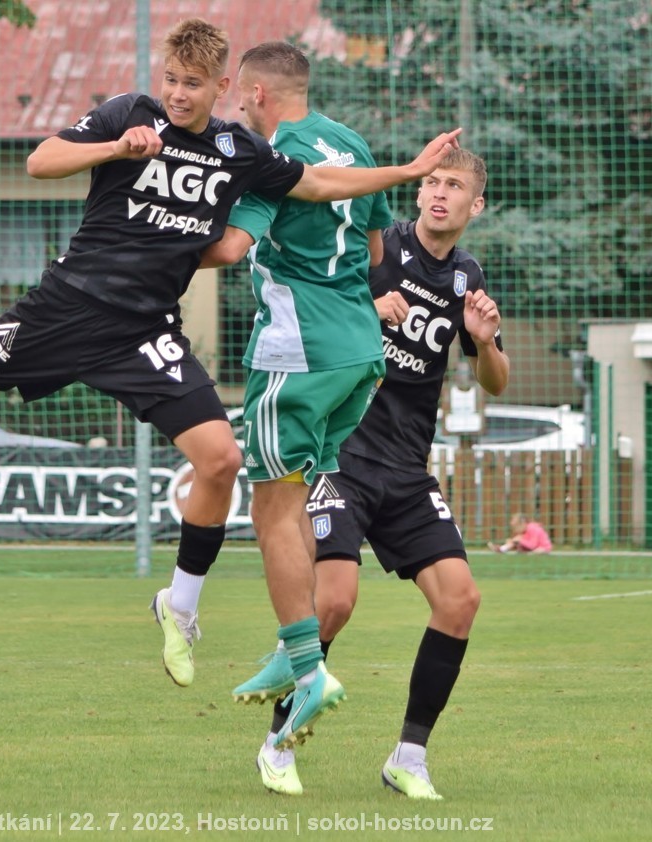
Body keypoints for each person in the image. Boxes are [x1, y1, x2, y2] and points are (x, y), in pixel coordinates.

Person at [0, 18, 461, 688]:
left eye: (193, 84)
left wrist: (410, 170)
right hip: (66, 308)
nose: (178, 94)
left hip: (144, 332)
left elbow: (315, 184)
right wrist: (113, 147)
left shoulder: (237, 148)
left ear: (224, 86)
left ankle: (180, 606)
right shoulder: (129, 114)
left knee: (221, 459)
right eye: (171, 79)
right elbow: (39, 160)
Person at [234, 147, 507, 799]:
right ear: (418, 192)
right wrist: (365, 308)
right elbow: (318, 293)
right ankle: (276, 746)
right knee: (334, 602)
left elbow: (494, 382)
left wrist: (486, 339)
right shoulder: (379, 250)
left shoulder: (467, 276)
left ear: (477, 205)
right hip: (342, 457)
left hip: (407, 471)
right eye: (433, 182)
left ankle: (408, 758)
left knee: (460, 600)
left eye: (455, 186)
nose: (439, 193)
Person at [196, 41, 393, 787]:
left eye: (238, 97)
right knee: (294, 497)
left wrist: (155, 248)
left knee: (270, 507)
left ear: (255, 94)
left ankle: (305, 663)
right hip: (358, 354)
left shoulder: (269, 155)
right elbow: (374, 250)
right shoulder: (353, 145)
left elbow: (231, 247)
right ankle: (297, 647)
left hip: (297, 351)